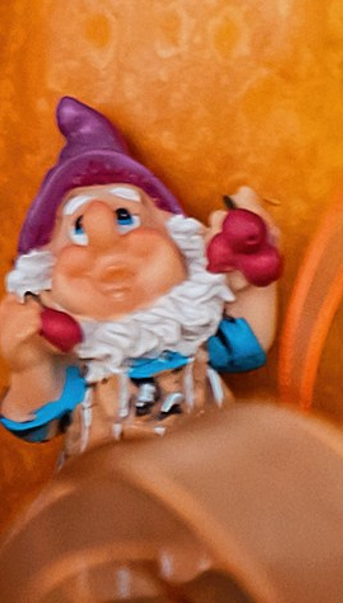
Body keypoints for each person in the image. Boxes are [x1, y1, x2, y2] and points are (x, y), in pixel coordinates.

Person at [0, 98, 281, 455]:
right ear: (44, 272)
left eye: (125, 216)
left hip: (214, 482)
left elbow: (251, 347)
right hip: (108, 499)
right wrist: (29, 365)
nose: (108, 248)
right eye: (79, 230)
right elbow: (36, 422)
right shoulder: (82, 360)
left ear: (176, 239)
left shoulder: (191, 333)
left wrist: (257, 266)